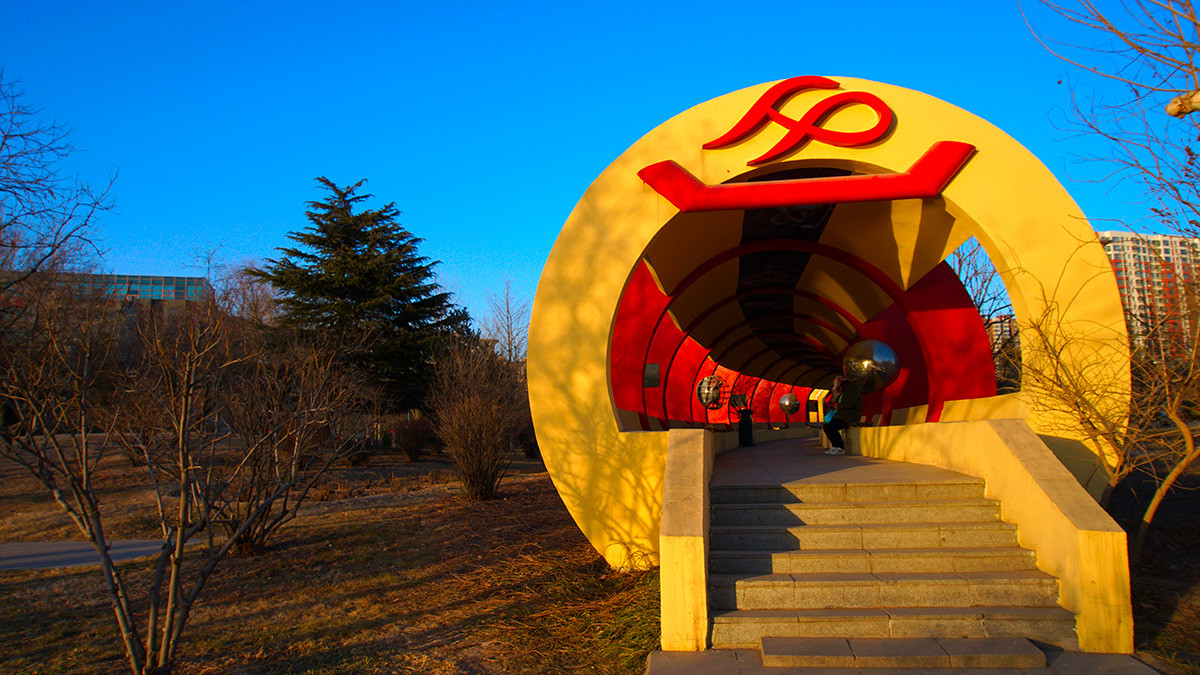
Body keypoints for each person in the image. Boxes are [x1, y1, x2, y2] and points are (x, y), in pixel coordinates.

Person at [822, 375, 862, 455]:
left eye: (838, 388)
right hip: (844, 416)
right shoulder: (845, 392)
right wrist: (836, 396)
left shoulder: (852, 391)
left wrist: (838, 405)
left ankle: (839, 447)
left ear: (841, 385)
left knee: (830, 426)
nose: (837, 389)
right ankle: (836, 446)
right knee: (828, 426)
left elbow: (849, 404)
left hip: (850, 417)